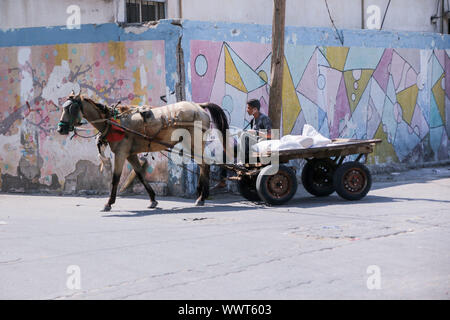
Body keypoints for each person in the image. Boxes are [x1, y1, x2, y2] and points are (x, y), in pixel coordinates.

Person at [213, 99, 272, 189]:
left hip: (258, 146)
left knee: (245, 135)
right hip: (249, 145)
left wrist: (254, 132)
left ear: (255, 109)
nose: (247, 110)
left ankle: (242, 161)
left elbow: (269, 135)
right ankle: (222, 181)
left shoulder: (264, 119)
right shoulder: (253, 120)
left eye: (249, 108)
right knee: (225, 152)